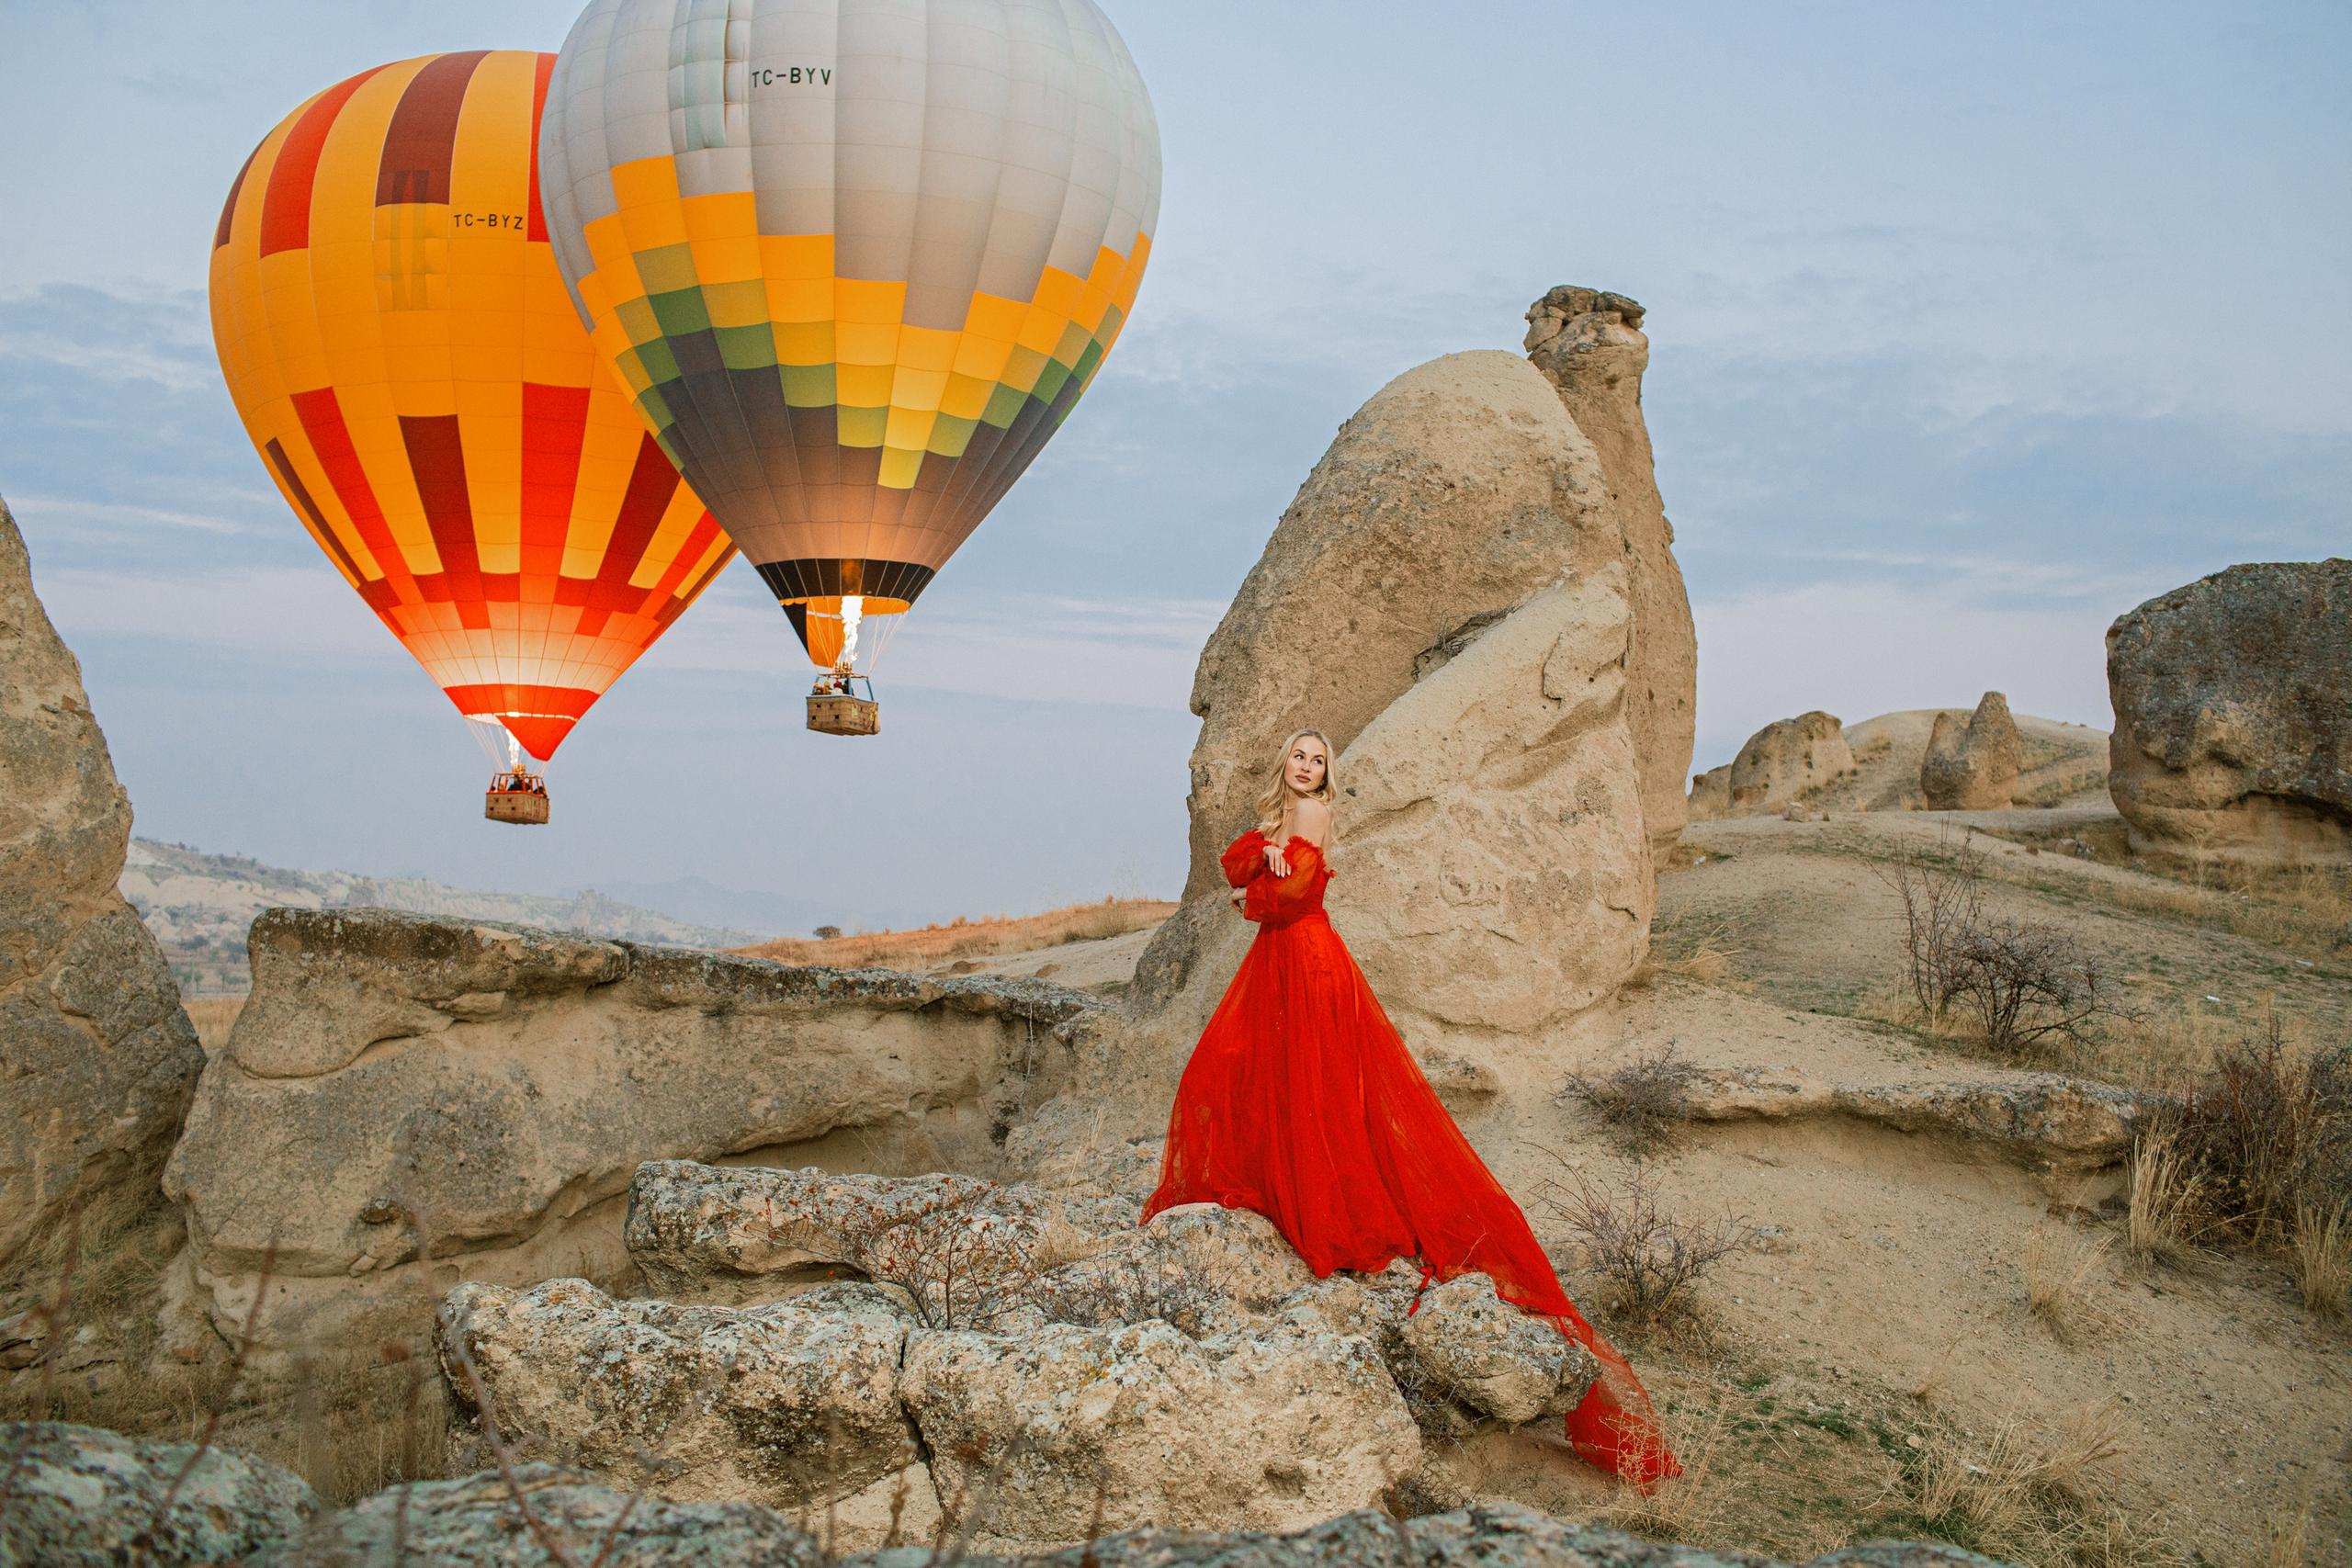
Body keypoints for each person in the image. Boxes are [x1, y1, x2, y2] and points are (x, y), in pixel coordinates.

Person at [1143, 728, 1680, 1489]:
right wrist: (1254, 870)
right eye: (1299, 756)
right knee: (1264, 1080)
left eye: (1317, 759)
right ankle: (1293, 1187)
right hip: (1283, 962)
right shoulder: (1281, 820)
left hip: (1309, 959)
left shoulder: (1315, 817)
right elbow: (1244, 868)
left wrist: (1255, 888)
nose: (1306, 766)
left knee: (1305, 1087)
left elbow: (1289, 897)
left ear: (1327, 773)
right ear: (1284, 766)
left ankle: (1324, 1206)